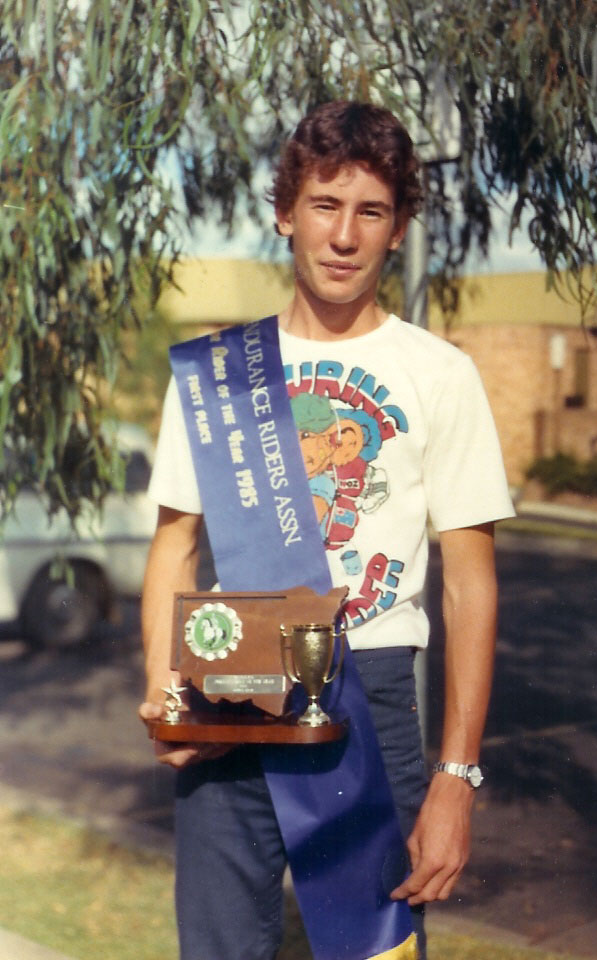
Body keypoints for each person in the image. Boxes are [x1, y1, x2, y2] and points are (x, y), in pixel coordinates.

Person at [139, 100, 514, 960]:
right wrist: (163, 687)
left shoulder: (440, 374)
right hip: (229, 694)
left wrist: (457, 779)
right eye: (324, 205)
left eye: (371, 211)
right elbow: (173, 546)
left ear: (397, 229)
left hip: (371, 697)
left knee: (373, 952)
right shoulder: (218, 375)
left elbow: (470, 584)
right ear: (285, 213)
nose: (345, 235)